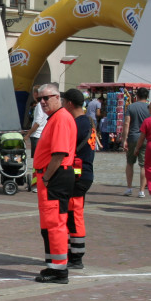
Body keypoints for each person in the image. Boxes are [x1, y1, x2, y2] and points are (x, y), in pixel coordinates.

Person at [31, 83, 76, 284]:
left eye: (46, 98)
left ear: (58, 97)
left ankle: (59, 270)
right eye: (39, 99)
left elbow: (59, 155)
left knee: (55, 224)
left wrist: (47, 177)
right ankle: (53, 266)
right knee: (49, 225)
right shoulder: (56, 118)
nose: (42, 102)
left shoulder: (60, 119)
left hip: (55, 176)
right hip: (51, 176)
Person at [61, 88, 94, 271]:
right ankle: (73, 253)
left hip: (77, 175)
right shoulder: (88, 121)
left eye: (64, 102)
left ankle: (75, 256)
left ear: (70, 104)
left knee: (73, 215)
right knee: (75, 214)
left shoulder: (77, 124)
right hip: (84, 173)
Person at [121, 87, 151, 197]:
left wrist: (124, 139)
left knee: (130, 163)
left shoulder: (131, 107)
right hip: (146, 138)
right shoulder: (150, 108)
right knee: (143, 165)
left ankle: (129, 188)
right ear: (147, 97)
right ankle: (142, 190)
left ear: (136, 96)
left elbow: (127, 123)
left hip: (133, 137)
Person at [20, 85, 48, 192]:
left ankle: (37, 184)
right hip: (41, 134)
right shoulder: (44, 105)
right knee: (39, 162)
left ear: (36, 94)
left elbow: (38, 122)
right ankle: (35, 183)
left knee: (38, 162)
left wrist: (28, 134)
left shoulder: (39, 106)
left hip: (37, 136)